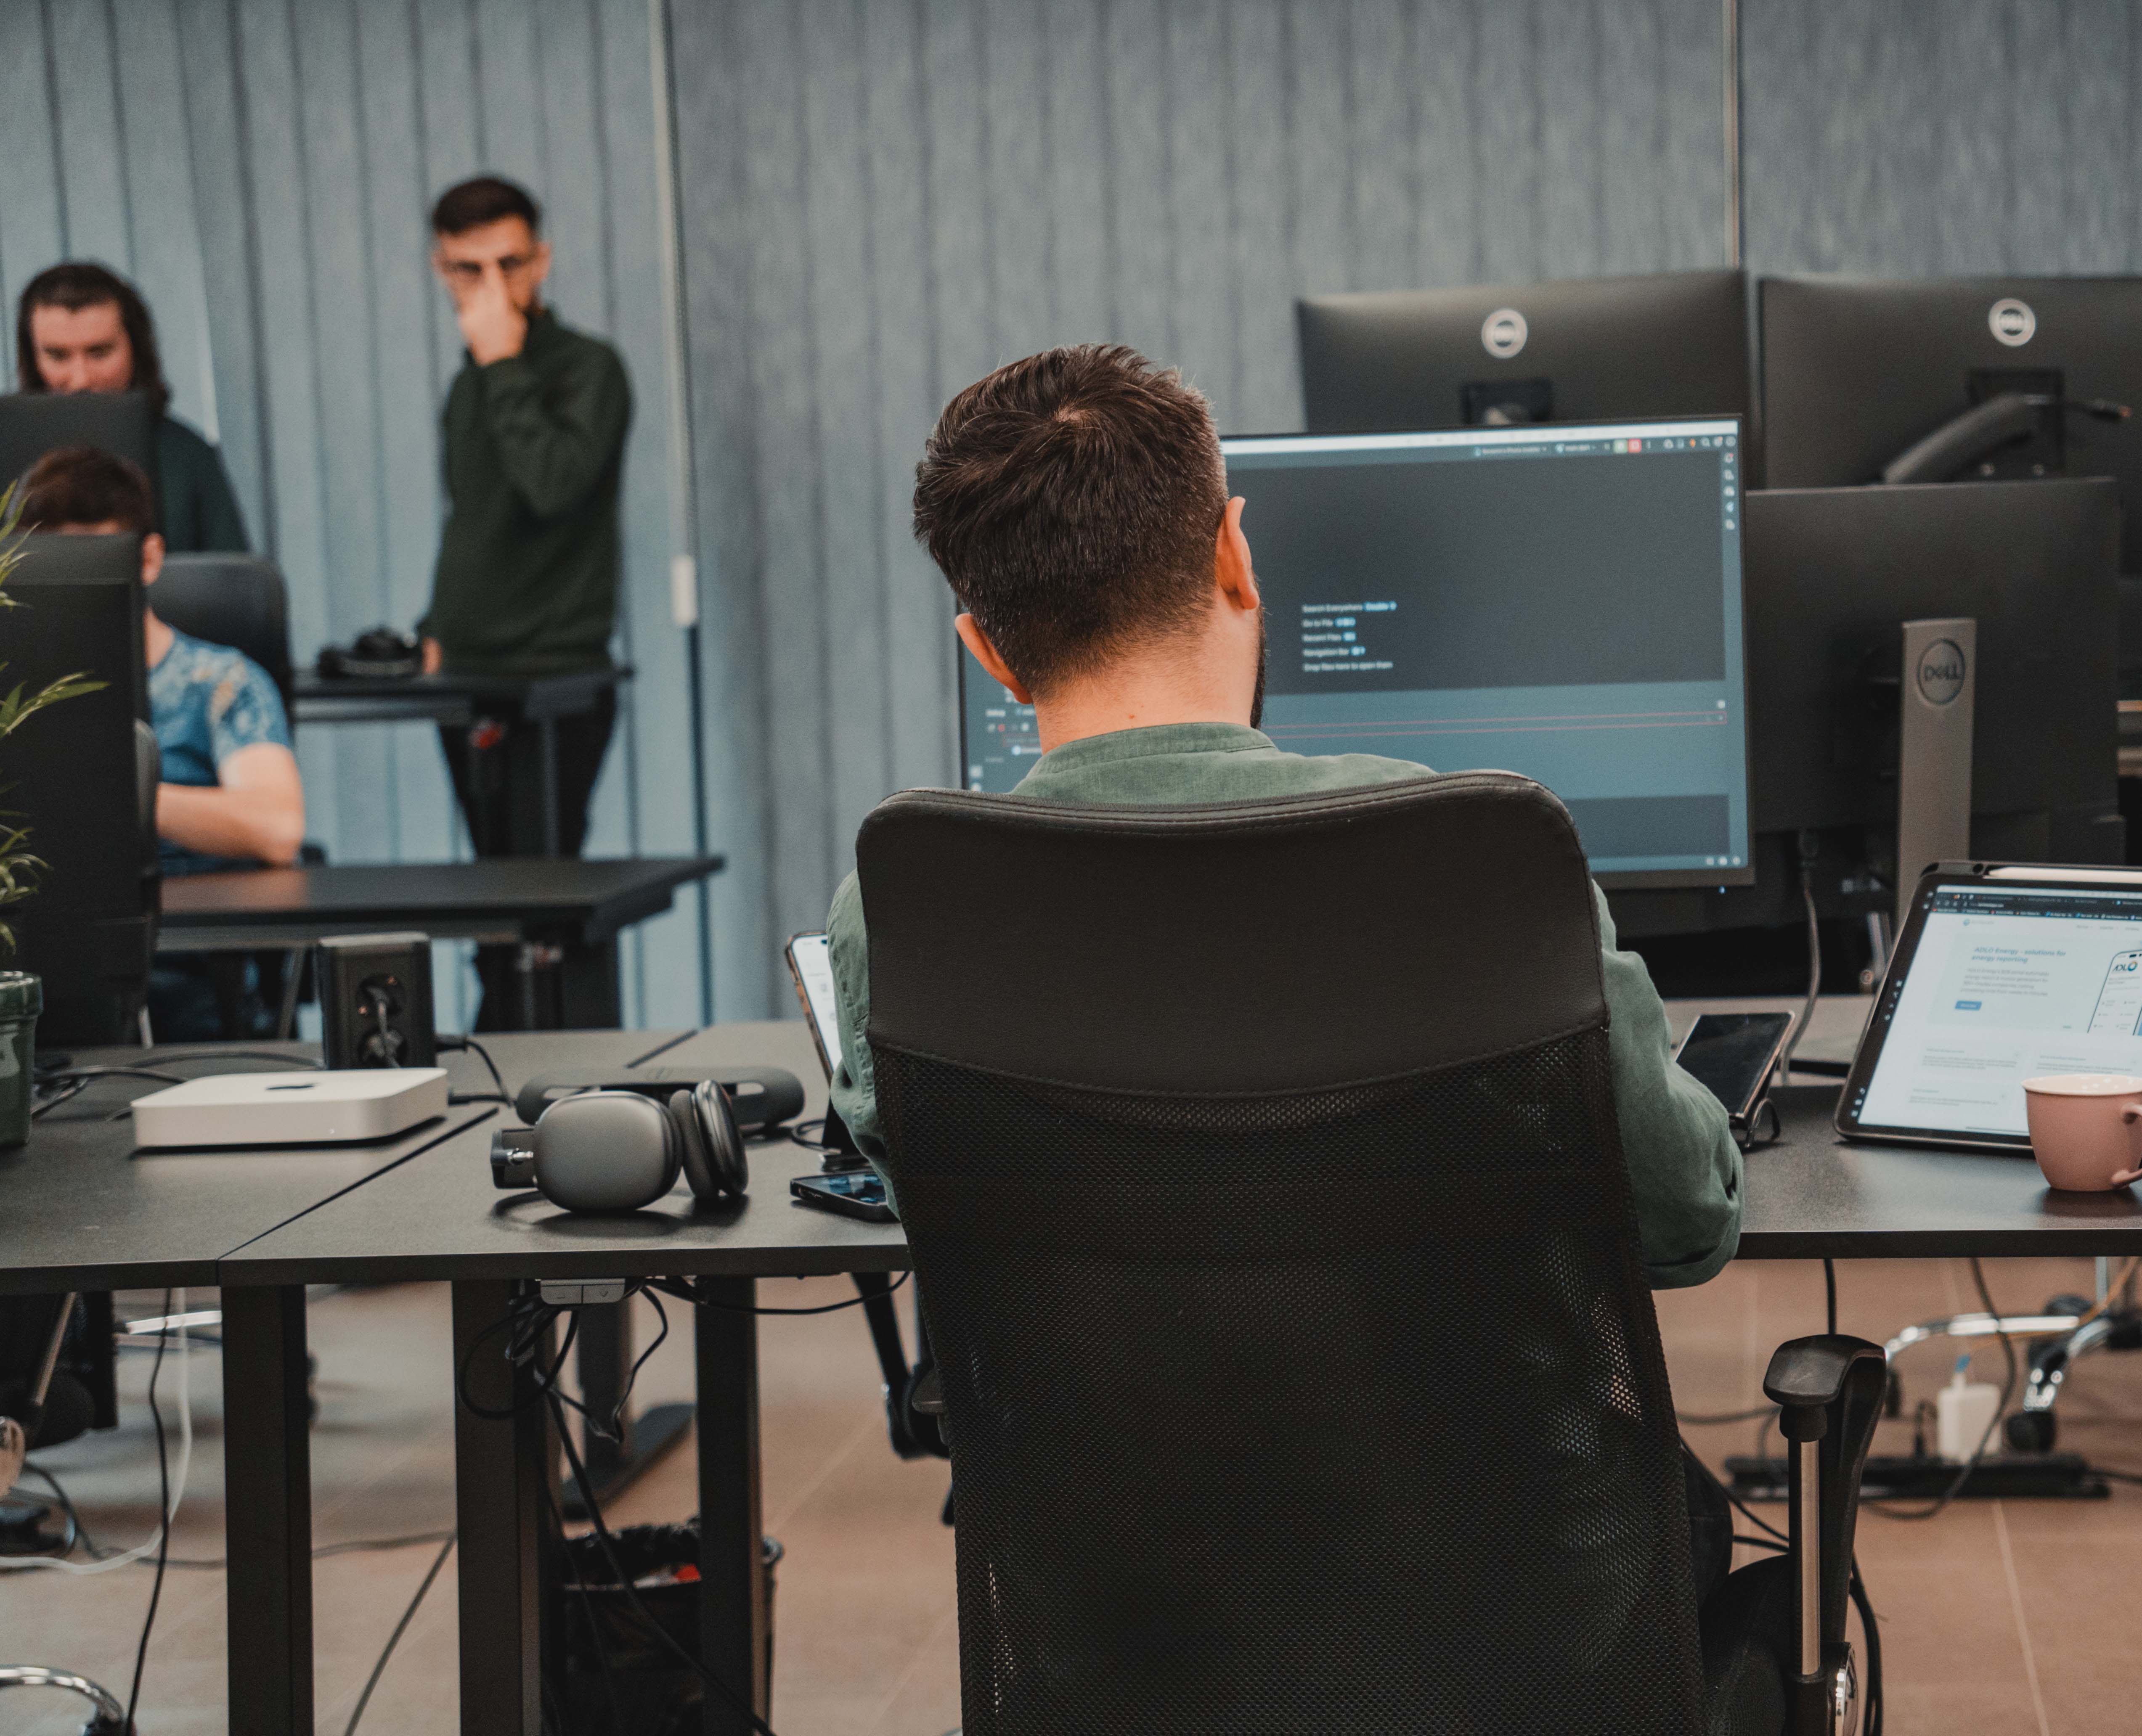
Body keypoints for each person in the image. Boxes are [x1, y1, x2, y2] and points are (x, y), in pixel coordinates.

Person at [824, 345, 1743, 1291]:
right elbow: (1680, 1218)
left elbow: (952, 1226)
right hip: (1457, 1440)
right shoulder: (1477, 850)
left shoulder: (895, 907)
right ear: (1235, 556)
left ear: (988, 654)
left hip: (1106, 1443)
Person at [418, 175, 633, 1027]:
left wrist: (505, 362)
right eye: (471, 271)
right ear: (443, 272)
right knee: (490, 904)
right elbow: (475, 518)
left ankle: (551, 1075)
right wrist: (436, 629)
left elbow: (552, 485)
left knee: (543, 904)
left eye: (511, 264)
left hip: (556, 678)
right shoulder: (469, 383)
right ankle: (496, 1072)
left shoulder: (587, 369)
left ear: (541, 261)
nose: (495, 290)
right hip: (465, 669)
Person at [19, 445, 304, 1038]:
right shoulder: (13, 696)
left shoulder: (220, 683)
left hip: (183, 961)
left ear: (148, 558)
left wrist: (108, 795)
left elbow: (276, 827)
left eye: (87, 558)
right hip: (33, 958)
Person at [16, 262, 251, 554]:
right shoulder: (7, 451)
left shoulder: (188, 457)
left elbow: (230, 588)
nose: (81, 379)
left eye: (99, 353)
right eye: (58, 356)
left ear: (135, 349)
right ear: (32, 358)